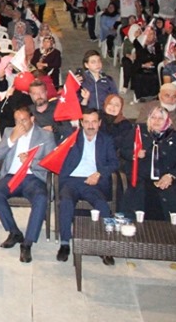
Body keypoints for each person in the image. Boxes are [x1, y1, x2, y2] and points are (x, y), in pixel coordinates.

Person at [0, 105, 56, 263]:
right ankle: (14, 232)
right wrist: (12, 139)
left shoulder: (45, 136)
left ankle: (27, 243)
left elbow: (52, 163)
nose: (21, 125)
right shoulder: (9, 132)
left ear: (32, 119)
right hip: (12, 176)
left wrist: (31, 161)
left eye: (24, 121)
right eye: (17, 121)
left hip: (33, 178)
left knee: (41, 198)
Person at [55, 110, 119, 265]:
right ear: (81, 123)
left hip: (93, 182)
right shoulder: (72, 138)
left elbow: (114, 163)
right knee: (66, 203)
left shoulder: (106, 140)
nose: (90, 126)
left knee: (103, 206)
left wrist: (99, 174)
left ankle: (106, 247)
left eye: (94, 122)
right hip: (72, 180)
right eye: (87, 122)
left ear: (99, 123)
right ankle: (64, 244)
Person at [119, 107, 176, 224]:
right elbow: (123, 151)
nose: (156, 121)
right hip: (141, 179)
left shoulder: (175, 137)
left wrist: (171, 176)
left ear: (167, 121)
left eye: (160, 118)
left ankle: (173, 235)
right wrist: (134, 154)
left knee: (172, 201)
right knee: (136, 199)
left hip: (165, 180)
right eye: (153, 118)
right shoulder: (139, 132)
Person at [136, 82, 176, 149]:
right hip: (150, 144)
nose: (171, 99)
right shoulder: (148, 107)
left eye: (174, 96)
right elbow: (140, 128)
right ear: (160, 96)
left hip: (174, 146)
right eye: (167, 95)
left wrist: (168, 124)